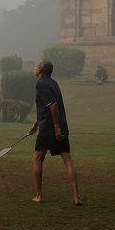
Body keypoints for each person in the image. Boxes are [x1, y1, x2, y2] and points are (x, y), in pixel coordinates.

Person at [28, 60, 82, 206]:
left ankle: (39, 195)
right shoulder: (54, 83)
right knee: (67, 160)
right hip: (58, 126)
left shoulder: (40, 84)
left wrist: (56, 127)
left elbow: (52, 105)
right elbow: (45, 107)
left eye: (36, 67)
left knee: (37, 159)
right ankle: (76, 197)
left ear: (40, 70)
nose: (35, 69)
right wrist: (36, 123)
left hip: (49, 129)